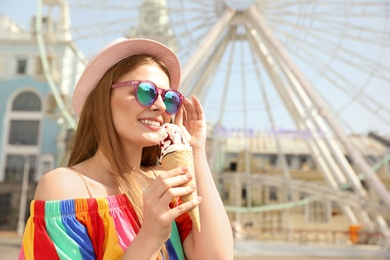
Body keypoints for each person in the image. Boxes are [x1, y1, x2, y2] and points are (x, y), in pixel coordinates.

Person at [18, 38, 233, 260]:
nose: (160, 106)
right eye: (146, 92)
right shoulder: (65, 187)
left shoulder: (169, 185)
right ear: (103, 99)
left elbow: (217, 256)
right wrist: (149, 237)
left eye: (169, 98)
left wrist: (196, 151)